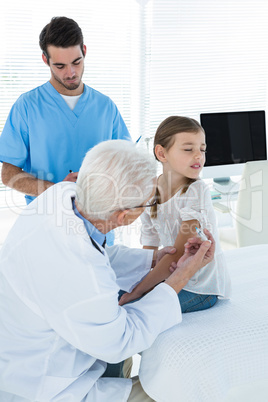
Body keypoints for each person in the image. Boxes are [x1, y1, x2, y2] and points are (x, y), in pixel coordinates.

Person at [0, 140, 215, 402]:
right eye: (148, 204)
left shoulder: (61, 196)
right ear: (125, 217)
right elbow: (121, 340)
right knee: (180, 391)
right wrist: (179, 278)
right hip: (49, 388)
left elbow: (95, 254)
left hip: (20, 352)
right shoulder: (81, 276)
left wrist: (151, 258)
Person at [0, 16, 131, 244]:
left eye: (76, 62)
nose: (70, 73)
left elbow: (126, 164)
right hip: (46, 227)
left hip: (99, 227)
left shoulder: (105, 107)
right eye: (60, 66)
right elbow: (8, 174)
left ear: (85, 51)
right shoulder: (27, 107)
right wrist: (58, 190)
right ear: (45, 59)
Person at [119, 116, 231, 311]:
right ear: (161, 153)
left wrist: (139, 291)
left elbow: (178, 252)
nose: (199, 156)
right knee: (114, 294)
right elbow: (149, 246)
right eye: (188, 149)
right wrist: (141, 284)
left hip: (200, 288)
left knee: (135, 306)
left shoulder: (196, 190)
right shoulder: (150, 189)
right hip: (172, 276)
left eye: (202, 150)